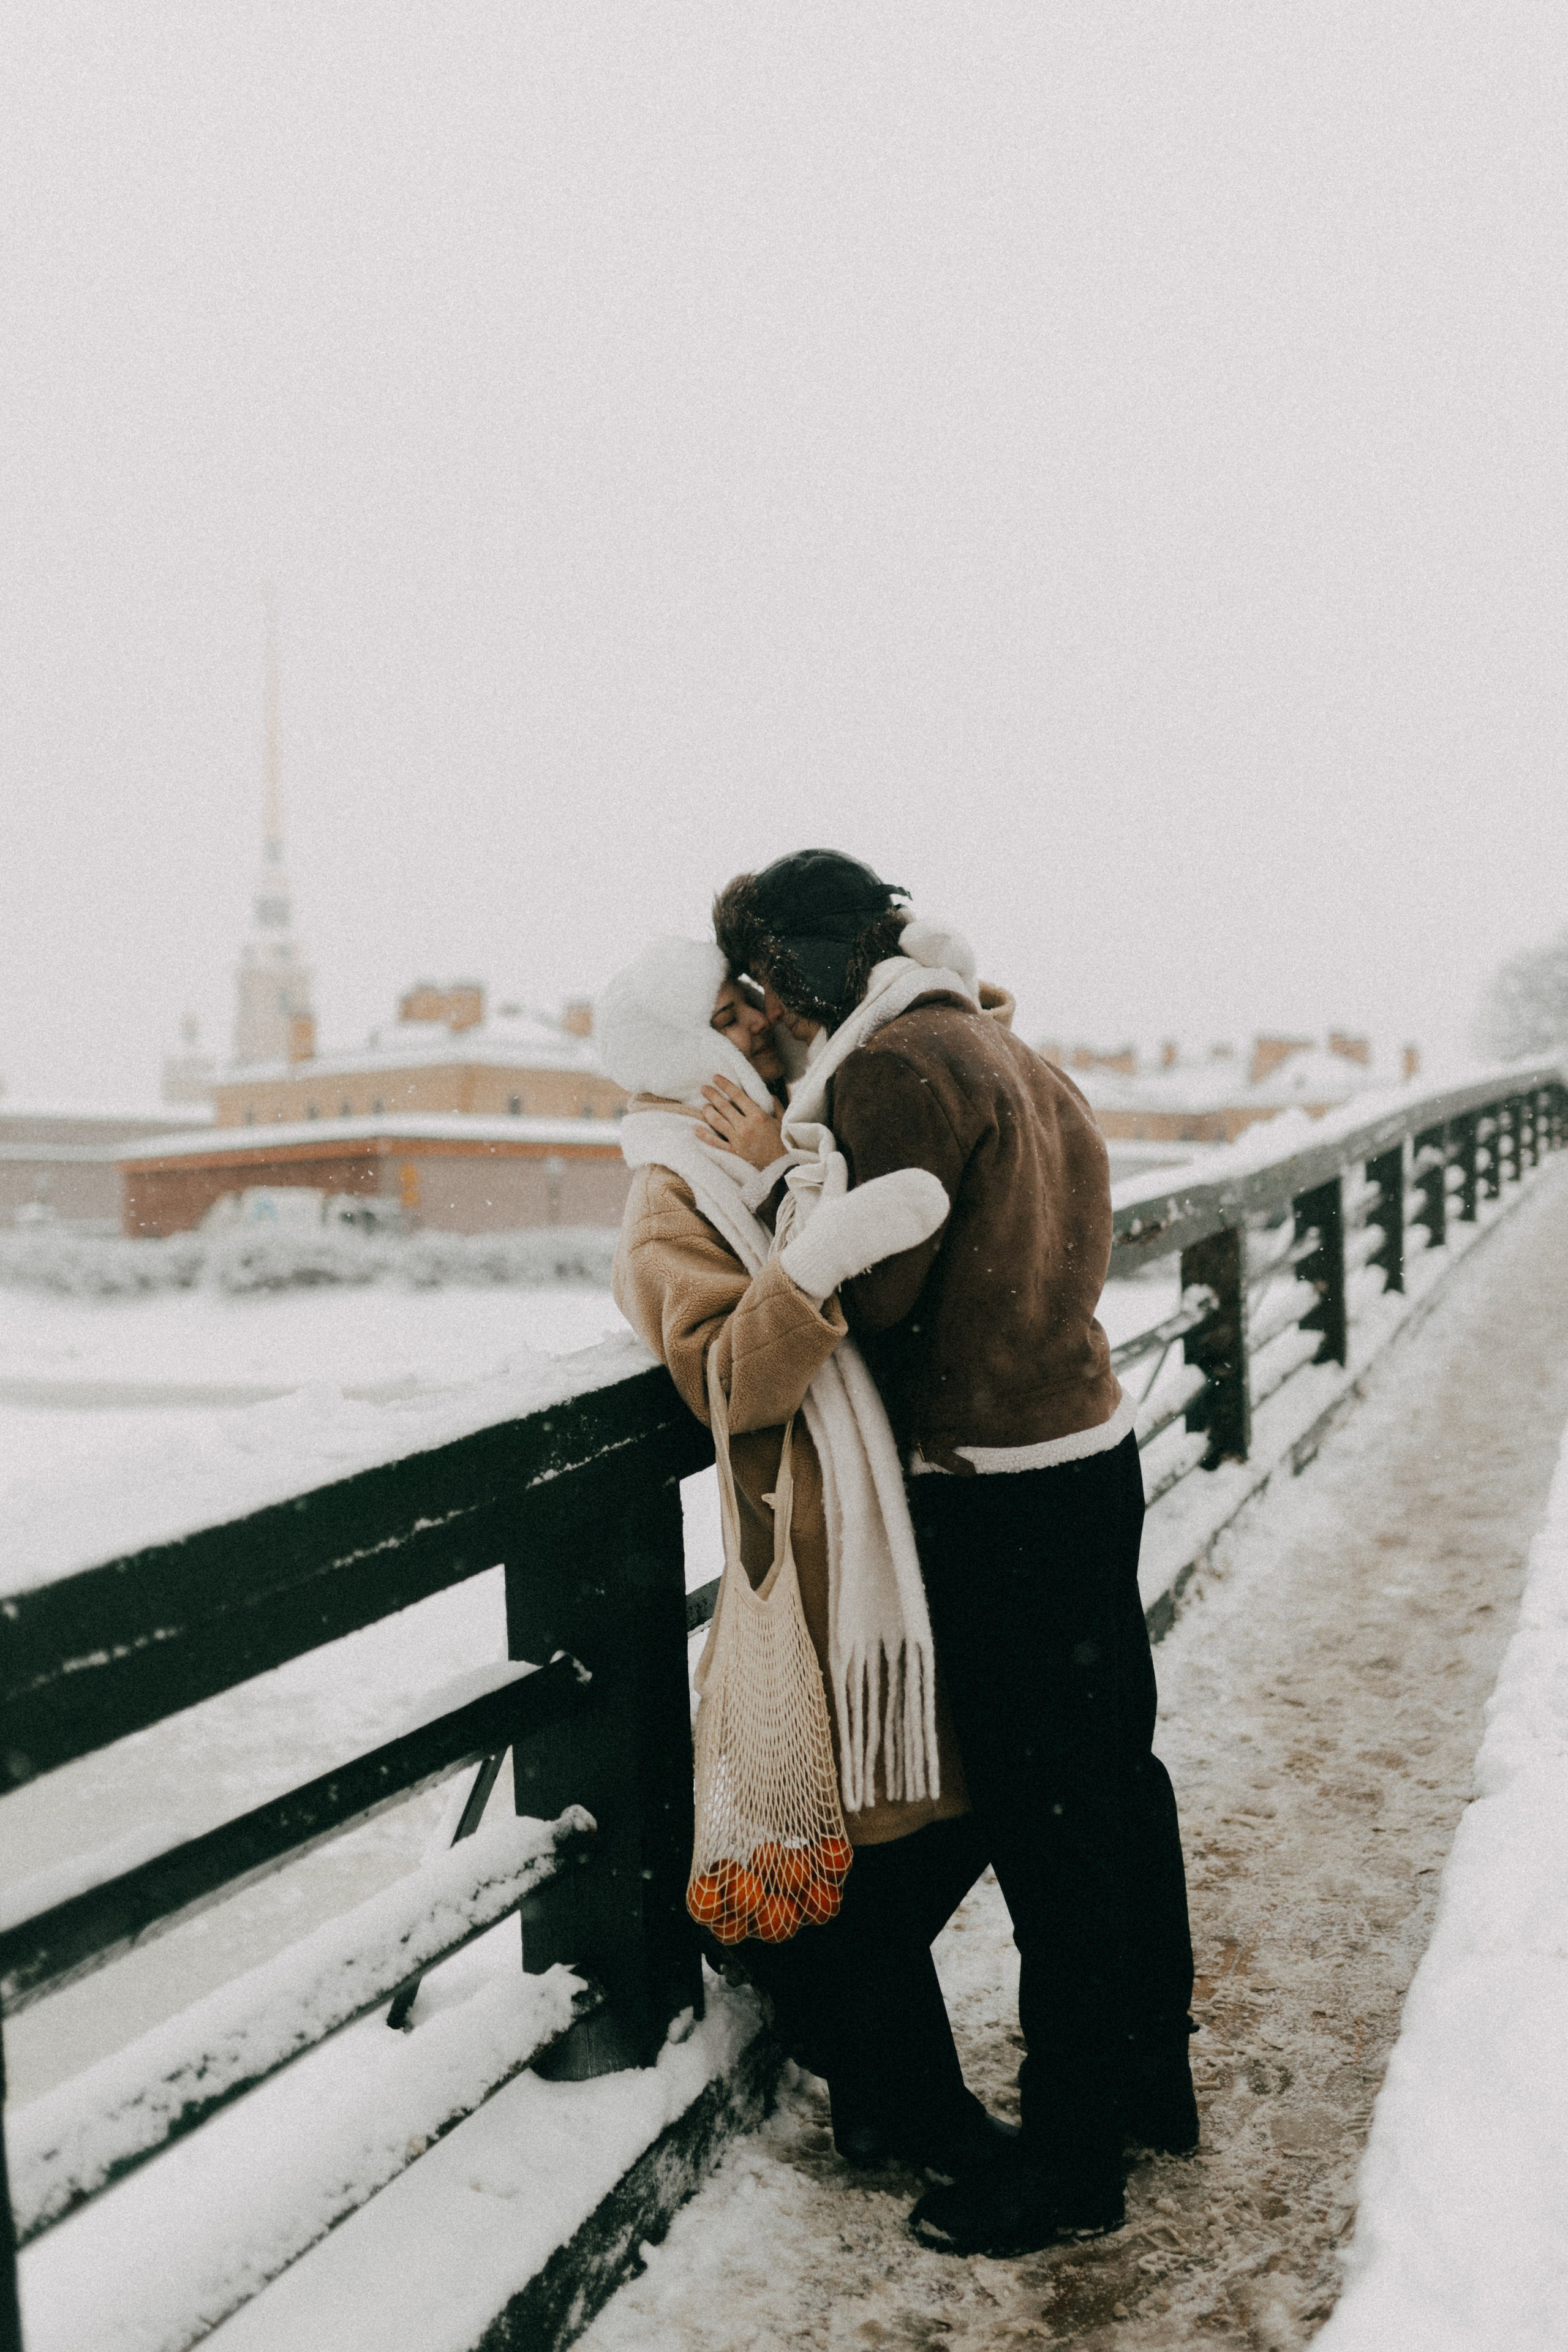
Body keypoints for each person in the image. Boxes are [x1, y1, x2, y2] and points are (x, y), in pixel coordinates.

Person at [714, 851, 1196, 2258]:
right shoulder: (1001, 1046)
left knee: (1049, 1833)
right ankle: (1141, 2084)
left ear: (798, 970)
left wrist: (777, 1201)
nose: (768, 1015)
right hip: (1082, 1456)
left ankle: (1067, 2167)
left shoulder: (893, 1077)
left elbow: (869, 1297)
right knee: (1112, 1790)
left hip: (987, 1492)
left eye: (764, 985)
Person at [597, 937, 1016, 2175]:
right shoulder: (664, 1200)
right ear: (682, 1045)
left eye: (758, 1010)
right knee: (880, 1846)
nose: (762, 1031)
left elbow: (937, 1073)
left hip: (885, 1530)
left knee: (943, 1812)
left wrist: (793, 1172)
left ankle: (856, 2054)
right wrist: (814, 1259)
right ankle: (917, 2116)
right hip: (811, 1559)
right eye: (731, 1016)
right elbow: (729, 1379)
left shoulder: (764, 1148)